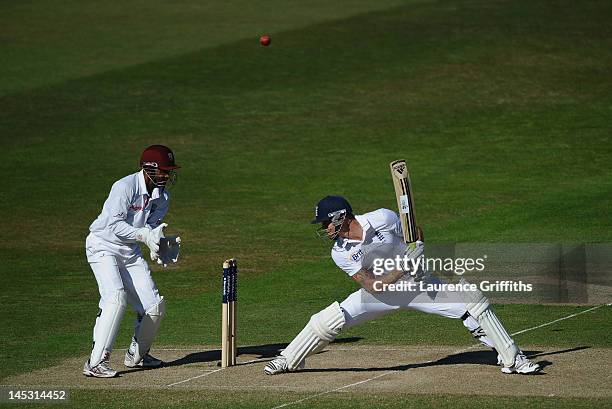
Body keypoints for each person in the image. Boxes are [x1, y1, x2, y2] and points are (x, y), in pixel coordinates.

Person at [264, 195, 541, 375]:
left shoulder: (384, 218)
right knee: (328, 320)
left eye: (326, 222)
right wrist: (400, 269)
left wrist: (418, 245)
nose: (325, 229)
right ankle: (288, 359)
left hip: (421, 285)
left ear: (340, 217)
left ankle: (514, 359)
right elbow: (372, 286)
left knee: (473, 302)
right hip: (383, 294)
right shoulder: (340, 252)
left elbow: (414, 231)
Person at [82, 145, 180, 378]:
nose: (167, 176)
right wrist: (144, 236)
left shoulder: (162, 197)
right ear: (148, 169)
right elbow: (113, 225)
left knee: (154, 306)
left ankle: (137, 356)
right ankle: (95, 362)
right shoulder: (124, 187)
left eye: (169, 171)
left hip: (129, 251)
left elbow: (151, 227)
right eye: (163, 171)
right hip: (102, 245)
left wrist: (159, 243)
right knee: (116, 298)